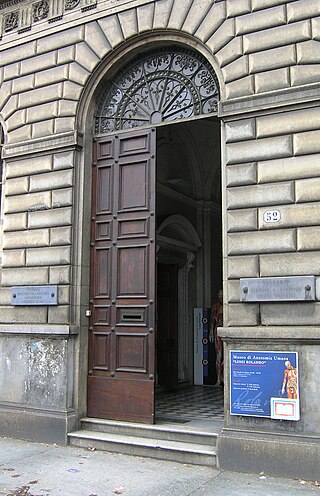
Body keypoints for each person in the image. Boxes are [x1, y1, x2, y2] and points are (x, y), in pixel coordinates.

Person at [210, 290, 223, 387]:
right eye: (219, 295)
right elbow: (212, 321)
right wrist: (210, 332)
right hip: (217, 331)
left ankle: (224, 377)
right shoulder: (215, 307)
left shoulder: (228, 306)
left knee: (226, 356)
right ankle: (218, 379)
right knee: (219, 356)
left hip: (226, 332)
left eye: (221, 295)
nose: (220, 297)